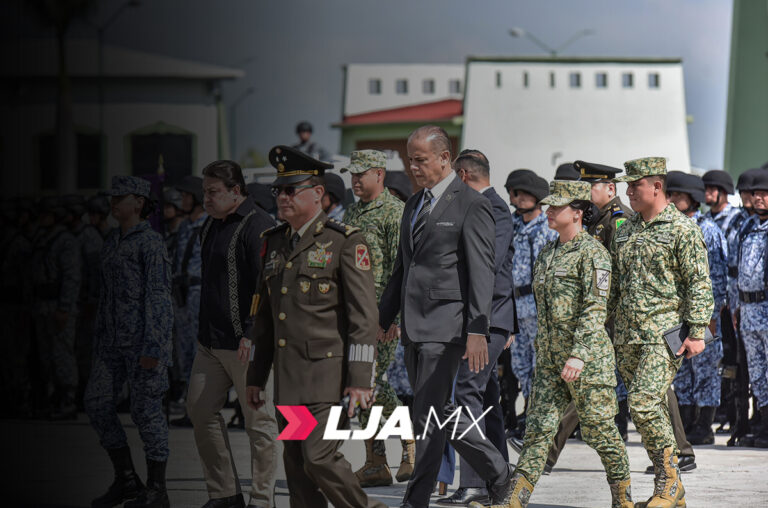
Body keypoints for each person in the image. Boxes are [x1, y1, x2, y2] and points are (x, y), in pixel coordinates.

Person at [378, 125, 516, 508]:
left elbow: (482, 271)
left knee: (428, 413)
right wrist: (383, 317)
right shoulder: (413, 204)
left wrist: (477, 329)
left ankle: (429, 495)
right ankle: (497, 476)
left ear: (444, 159)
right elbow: (402, 268)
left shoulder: (471, 203)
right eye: (410, 160)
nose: (413, 167)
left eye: (420, 160)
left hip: (447, 325)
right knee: (435, 414)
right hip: (414, 326)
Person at [244, 145, 386, 508]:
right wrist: (256, 376)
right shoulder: (275, 243)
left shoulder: (343, 241)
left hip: (326, 377)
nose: (282, 197)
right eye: (278, 190)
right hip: (290, 379)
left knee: (319, 457)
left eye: (291, 190)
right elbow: (266, 319)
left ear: (318, 192)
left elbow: (363, 316)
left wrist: (360, 378)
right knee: (297, 467)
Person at [491, 180, 633, 508]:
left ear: (578, 213)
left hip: (587, 361)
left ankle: (623, 498)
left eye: (557, 206)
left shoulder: (593, 254)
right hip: (550, 359)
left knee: (600, 431)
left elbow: (595, 308)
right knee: (538, 430)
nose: (549, 211)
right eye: (549, 205)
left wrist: (579, 355)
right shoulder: (548, 252)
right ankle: (513, 500)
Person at [610, 157, 713, 508]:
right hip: (627, 336)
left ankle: (667, 482)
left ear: (656, 186)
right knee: (643, 409)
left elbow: (699, 283)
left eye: (635, 185)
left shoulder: (682, 229)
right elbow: (615, 287)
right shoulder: (625, 230)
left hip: (664, 336)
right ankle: (673, 490)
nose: (628, 191)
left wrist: (697, 331)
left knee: (643, 403)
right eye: (627, 185)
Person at [186, 161, 279, 508]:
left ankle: (262, 499)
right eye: (204, 192)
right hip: (210, 343)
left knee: (259, 423)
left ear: (235, 191)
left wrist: (252, 334)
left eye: (213, 192)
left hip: (246, 344)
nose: (206, 199)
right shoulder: (211, 224)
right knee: (199, 411)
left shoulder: (258, 226)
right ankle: (224, 494)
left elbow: (267, 287)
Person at [84, 176, 173, 508]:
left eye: (119, 198)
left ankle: (157, 489)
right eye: (112, 198)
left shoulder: (150, 243)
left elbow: (158, 297)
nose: (113, 203)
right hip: (111, 342)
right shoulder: (112, 240)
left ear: (138, 203)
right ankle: (126, 479)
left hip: (142, 342)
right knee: (96, 403)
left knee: (146, 412)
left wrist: (154, 347)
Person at [437, 149, 515, 506]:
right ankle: (500, 479)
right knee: (484, 397)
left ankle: (476, 484)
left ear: (463, 176)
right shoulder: (478, 206)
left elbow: (487, 263)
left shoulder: (494, 208)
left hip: (487, 318)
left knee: (467, 394)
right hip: (481, 318)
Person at [339, 149, 412, 487]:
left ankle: (409, 441)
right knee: (362, 385)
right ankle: (376, 460)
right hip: (354, 313)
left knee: (372, 383)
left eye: (361, 174)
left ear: (379, 174)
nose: (355, 180)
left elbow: (403, 268)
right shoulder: (350, 212)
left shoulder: (395, 212)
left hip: (382, 315)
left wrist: (395, 317)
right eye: (352, 174)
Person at [665, 171, 727, 446]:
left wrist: (712, 316)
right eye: (669, 194)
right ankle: (687, 421)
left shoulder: (708, 230)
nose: (670, 200)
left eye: (676, 195)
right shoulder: (672, 227)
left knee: (705, 370)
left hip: (703, 314)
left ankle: (704, 425)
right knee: (683, 371)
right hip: (677, 313)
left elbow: (718, 277)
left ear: (692, 198)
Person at [507, 170, 557, 436]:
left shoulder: (546, 228)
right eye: (516, 193)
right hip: (515, 307)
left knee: (541, 364)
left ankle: (538, 416)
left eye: (525, 194)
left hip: (537, 307)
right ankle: (527, 408)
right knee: (520, 363)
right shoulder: (511, 226)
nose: (520, 198)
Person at [31, 196, 82, 420]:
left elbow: (72, 277)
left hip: (58, 305)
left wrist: (65, 307)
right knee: (46, 356)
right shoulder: (41, 238)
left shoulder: (66, 241)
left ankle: (68, 399)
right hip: (42, 304)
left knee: (62, 353)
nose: (42, 218)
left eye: (47, 214)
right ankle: (52, 397)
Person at [170, 175, 208, 425]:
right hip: (182, 294)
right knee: (183, 353)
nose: (182, 200)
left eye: (185, 196)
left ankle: (200, 408)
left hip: (199, 292)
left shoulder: (208, 225)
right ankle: (188, 406)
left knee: (199, 353)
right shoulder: (184, 226)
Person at [725, 169, 759, 445]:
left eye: (755, 192)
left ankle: (758, 422)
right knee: (740, 366)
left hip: (760, 307)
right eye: (747, 192)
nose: (750, 197)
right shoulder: (744, 224)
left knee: (758, 370)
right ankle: (741, 422)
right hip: (741, 303)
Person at [736, 168, 768, 449]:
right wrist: (735, 305)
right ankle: (762, 425)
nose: (758, 198)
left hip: (766, 308)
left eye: (764, 193)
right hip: (747, 309)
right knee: (756, 374)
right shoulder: (748, 226)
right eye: (756, 193)